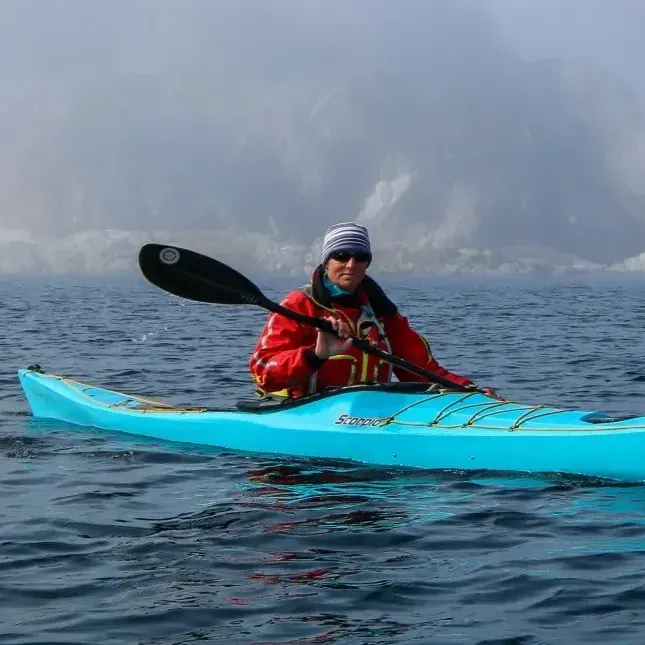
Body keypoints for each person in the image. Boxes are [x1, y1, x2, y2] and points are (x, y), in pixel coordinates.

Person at [249, 222, 501, 399]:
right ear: (327, 262)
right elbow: (262, 371)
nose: (350, 264)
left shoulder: (381, 313)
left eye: (360, 257)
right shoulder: (297, 305)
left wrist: (468, 391)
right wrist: (315, 355)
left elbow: (421, 369)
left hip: (369, 414)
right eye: (341, 255)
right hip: (304, 411)